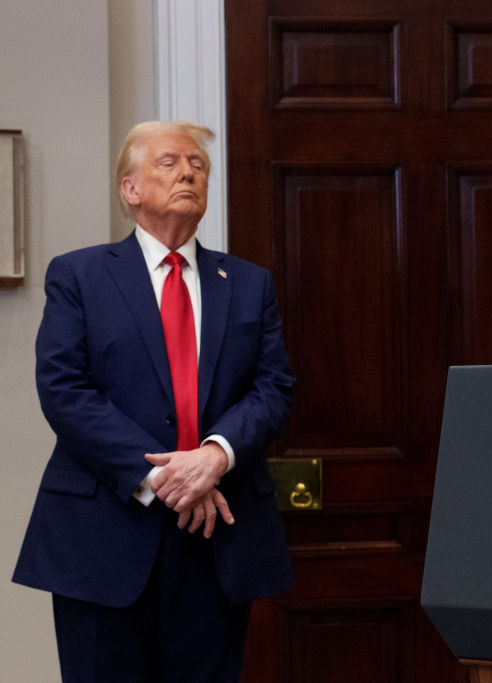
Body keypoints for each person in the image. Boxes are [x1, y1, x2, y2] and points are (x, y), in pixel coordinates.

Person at [13, 121, 295, 681]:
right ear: (130, 188)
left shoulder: (247, 282)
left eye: (198, 165)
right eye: (169, 162)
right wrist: (167, 480)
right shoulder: (79, 275)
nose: (189, 172)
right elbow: (65, 390)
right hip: (103, 536)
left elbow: (273, 387)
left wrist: (215, 456)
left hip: (219, 535)